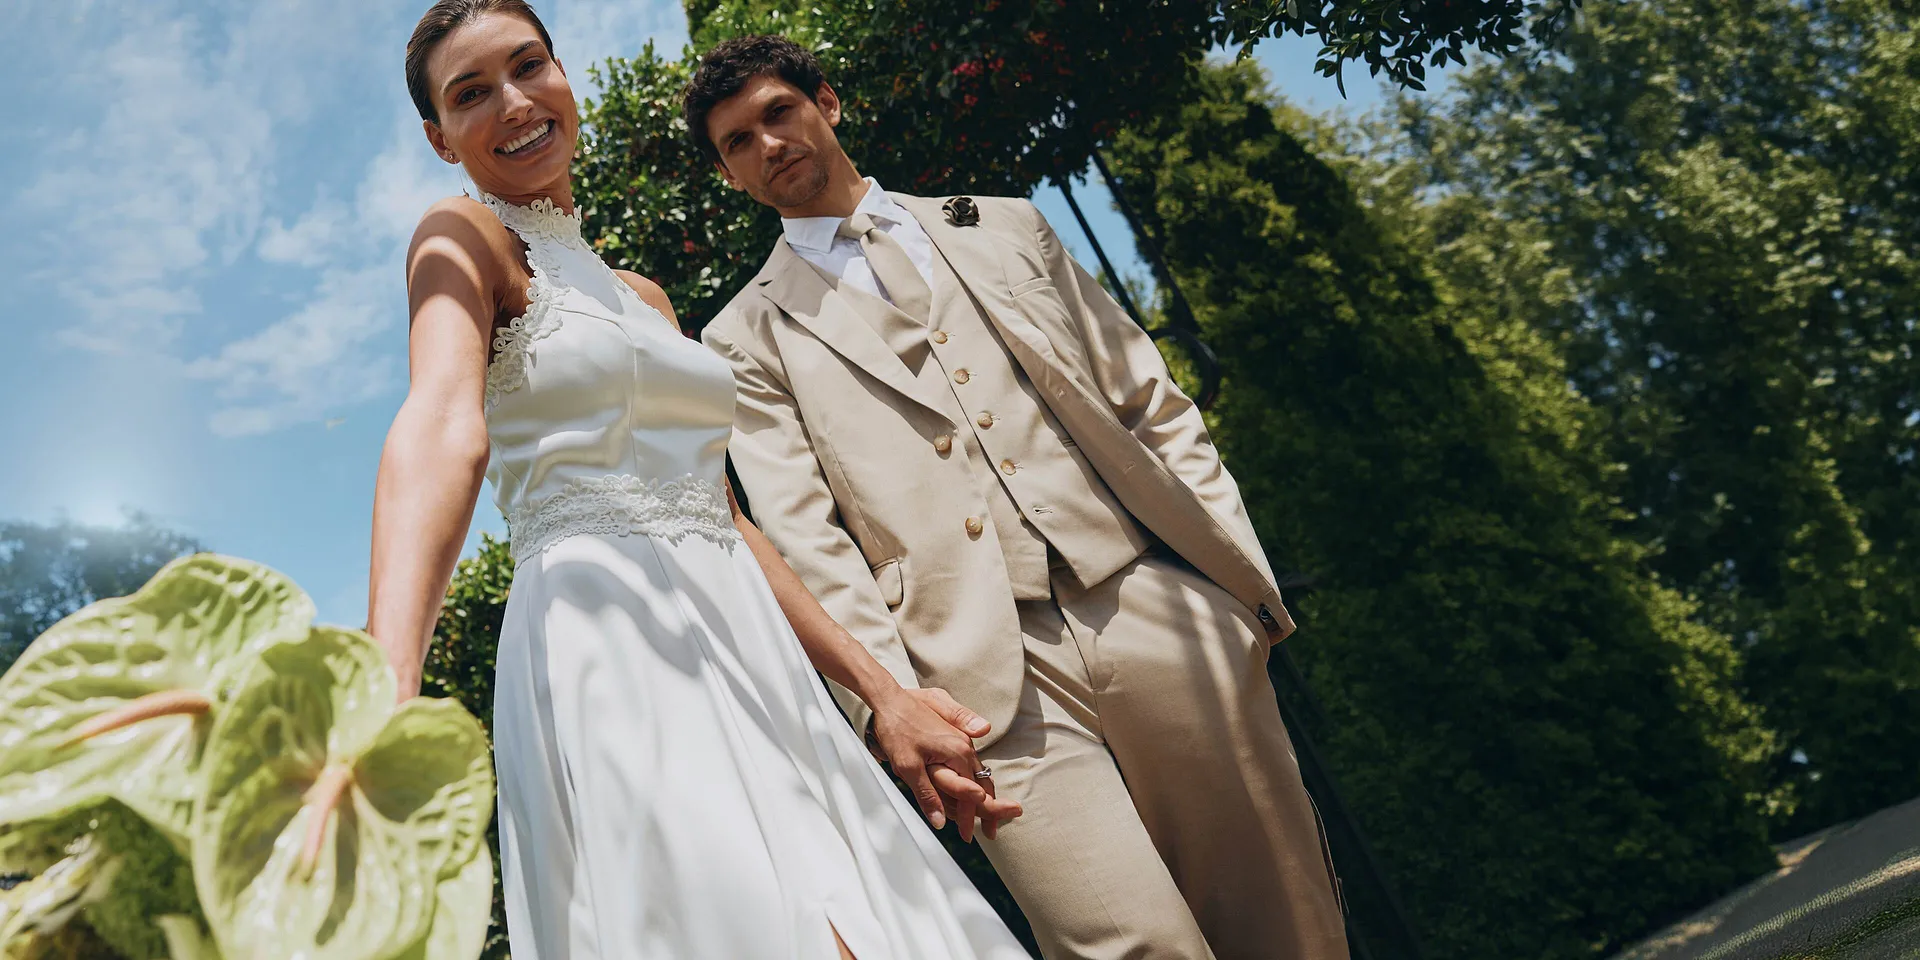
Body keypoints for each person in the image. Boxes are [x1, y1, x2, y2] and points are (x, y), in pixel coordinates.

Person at [365, 3, 1031, 958]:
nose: (514, 102)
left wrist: (884, 694)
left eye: (528, 66)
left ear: (563, 75)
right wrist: (382, 689)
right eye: (473, 94)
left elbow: (724, 518)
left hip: (747, 638)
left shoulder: (644, 296)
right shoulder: (461, 236)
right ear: (440, 138)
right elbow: (439, 423)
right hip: (604, 634)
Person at [693, 35, 1352, 960]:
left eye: (778, 113)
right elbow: (811, 545)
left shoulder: (1005, 227)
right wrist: (893, 705)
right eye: (736, 142)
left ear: (827, 104)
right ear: (729, 174)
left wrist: (1234, 584)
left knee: (1283, 918)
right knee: (1128, 945)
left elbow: (1147, 401)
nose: (767, 144)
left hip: (1152, 601)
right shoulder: (744, 341)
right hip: (973, 690)